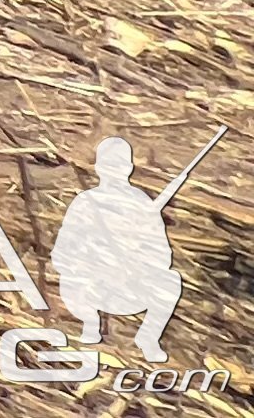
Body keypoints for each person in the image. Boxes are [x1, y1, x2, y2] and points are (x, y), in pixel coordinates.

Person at [53, 136, 185, 361]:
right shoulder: (85, 202)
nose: (114, 172)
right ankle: (90, 323)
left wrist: (136, 256)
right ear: (99, 168)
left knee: (170, 281)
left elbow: (163, 255)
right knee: (70, 281)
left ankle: (148, 338)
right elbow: (62, 253)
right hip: (92, 286)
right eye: (108, 166)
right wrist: (96, 260)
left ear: (129, 168)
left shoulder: (142, 204)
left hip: (130, 289)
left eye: (119, 165)